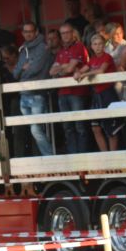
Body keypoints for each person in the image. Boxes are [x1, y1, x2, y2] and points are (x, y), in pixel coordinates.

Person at [49, 23, 91, 154]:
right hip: (62, 93)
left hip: (77, 92)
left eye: (68, 32)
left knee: (80, 126)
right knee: (67, 127)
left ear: (73, 33)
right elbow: (51, 71)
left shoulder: (79, 47)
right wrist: (64, 67)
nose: (65, 35)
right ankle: (74, 157)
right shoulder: (61, 51)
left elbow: (70, 69)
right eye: (63, 33)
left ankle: (83, 158)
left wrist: (62, 67)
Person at [14, 22, 54, 157]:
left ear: (36, 32)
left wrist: (23, 71)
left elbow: (35, 69)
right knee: (34, 129)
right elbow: (15, 73)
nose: (28, 34)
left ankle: (50, 157)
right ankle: (46, 156)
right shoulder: (23, 49)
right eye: (25, 31)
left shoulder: (43, 48)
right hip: (23, 94)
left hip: (37, 94)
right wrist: (22, 69)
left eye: (30, 31)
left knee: (36, 129)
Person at [76, 34, 122, 152]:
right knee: (95, 127)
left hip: (108, 94)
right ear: (91, 46)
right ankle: (105, 157)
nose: (98, 47)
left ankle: (113, 159)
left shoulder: (107, 57)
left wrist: (84, 74)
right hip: (96, 95)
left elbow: (101, 70)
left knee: (111, 129)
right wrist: (78, 73)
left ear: (104, 45)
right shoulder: (92, 60)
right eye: (95, 44)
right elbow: (82, 70)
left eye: (100, 44)